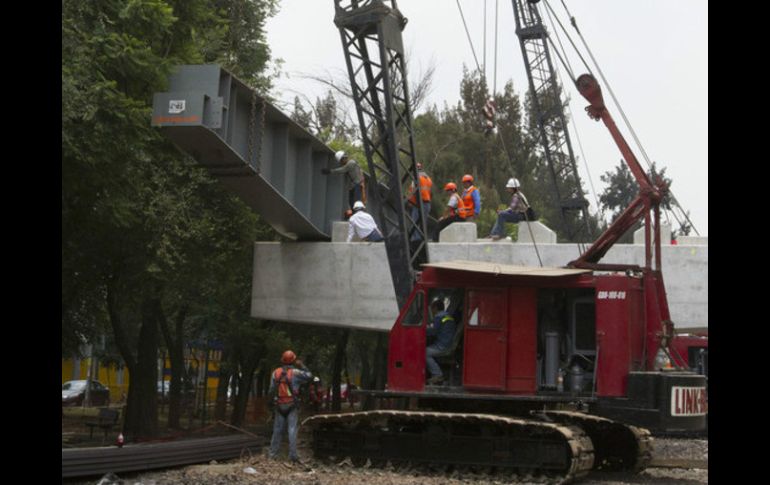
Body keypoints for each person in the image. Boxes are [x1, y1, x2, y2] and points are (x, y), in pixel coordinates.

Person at [268, 350, 314, 463]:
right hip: (292, 405)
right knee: (292, 430)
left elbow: (271, 390)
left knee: (277, 430)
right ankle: (293, 456)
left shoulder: (275, 373)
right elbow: (310, 376)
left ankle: (273, 455)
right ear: (293, 360)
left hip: (279, 405)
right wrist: (302, 365)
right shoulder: (296, 373)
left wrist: (270, 404)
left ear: (282, 360)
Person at [425, 299, 456, 385]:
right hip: (448, 343)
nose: (431, 310)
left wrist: (422, 329)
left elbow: (433, 332)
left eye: (432, 308)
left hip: (443, 346)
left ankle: (437, 375)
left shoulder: (439, 317)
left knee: (425, 352)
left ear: (435, 308)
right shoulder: (447, 315)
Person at [406, 163, 433, 241]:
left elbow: (412, 191)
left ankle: (416, 240)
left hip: (418, 204)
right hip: (427, 204)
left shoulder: (416, 178)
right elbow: (430, 193)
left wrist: (408, 201)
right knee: (423, 223)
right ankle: (422, 239)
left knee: (415, 222)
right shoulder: (428, 179)